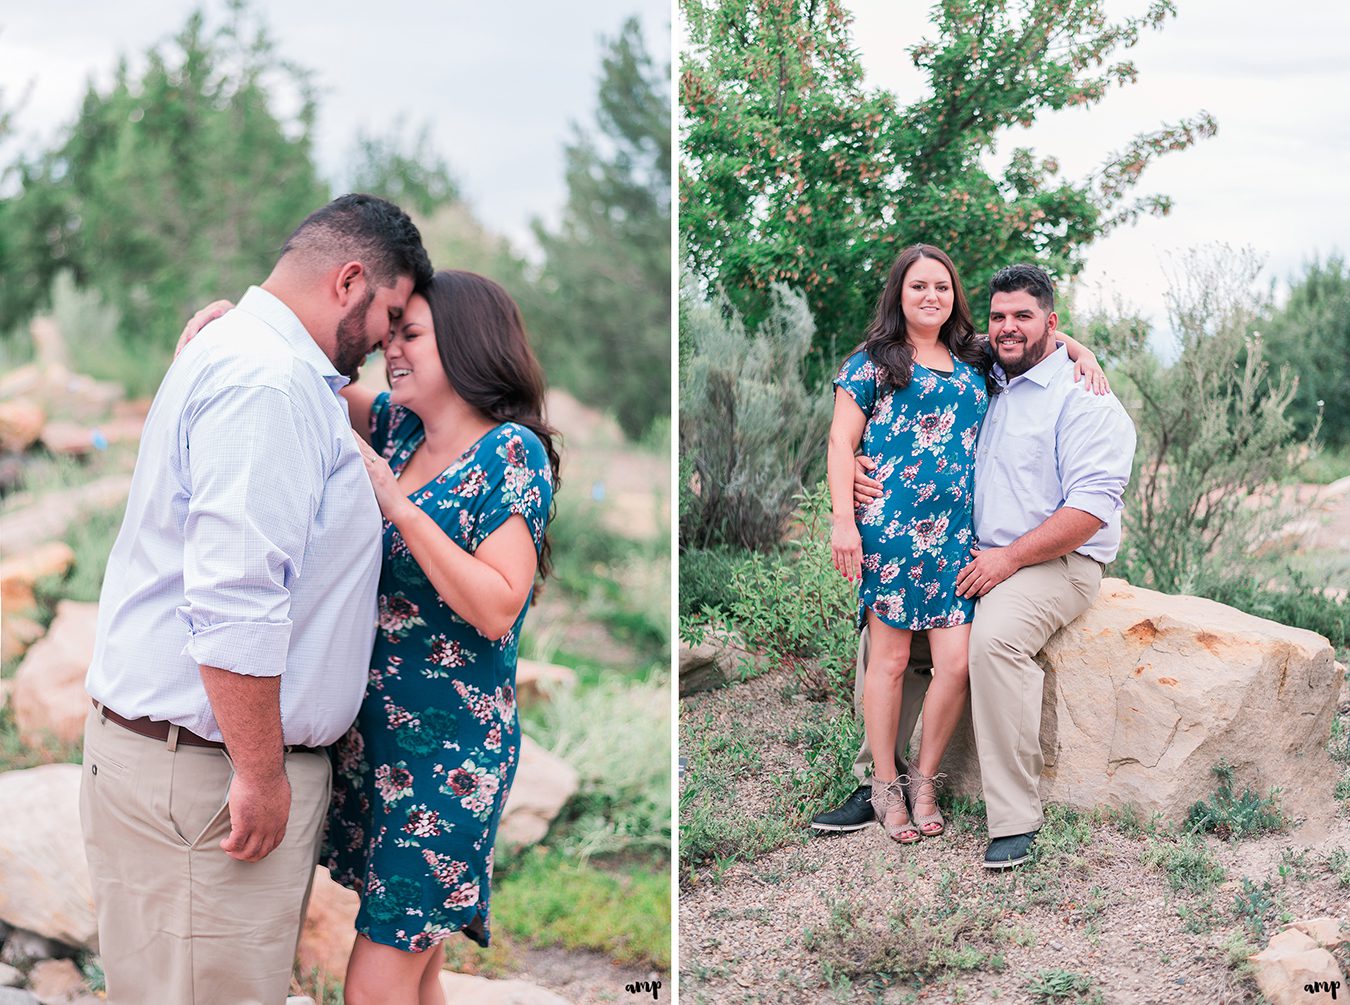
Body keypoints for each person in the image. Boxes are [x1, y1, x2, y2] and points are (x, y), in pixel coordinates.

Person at [80, 193, 433, 1004]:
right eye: (390, 314)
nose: (386, 341)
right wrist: (262, 772)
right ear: (349, 281)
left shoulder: (258, 365)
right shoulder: (266, 384)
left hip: (202, 772)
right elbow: (236, 596)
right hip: (208, 781)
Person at [178, 271, 558, 1005]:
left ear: (468, 344)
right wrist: (236, 320)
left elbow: (498, 606)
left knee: (375, 986)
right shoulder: (398, 424)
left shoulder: (510, 453)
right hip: (378, 752)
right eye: (391, 336)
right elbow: (296, 364)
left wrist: (398, 505)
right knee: (418, 972)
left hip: (449, 761)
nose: (393, 350)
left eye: (410, 335)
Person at [814, 263, 1136, 869]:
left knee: (984, 646)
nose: (1009, 329)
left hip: (1050, 559)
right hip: (941, 543)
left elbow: (1091, 509)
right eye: (1000, 317)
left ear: (1052, 323)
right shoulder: (986, 363)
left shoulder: (1082, 396)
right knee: (890, 652)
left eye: (1025, 317)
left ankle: (1012, 817)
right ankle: (880, 782)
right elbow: (846, 435)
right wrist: (851, 481)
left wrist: (1079, 350)